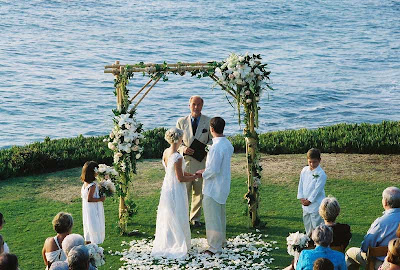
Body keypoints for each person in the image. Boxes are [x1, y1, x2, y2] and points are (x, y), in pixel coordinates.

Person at [151, 128, 199, 259]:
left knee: (168, 214)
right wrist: (195, 177)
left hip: (167, 186)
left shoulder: (166, 152)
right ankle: (176, 242)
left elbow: (176, 172)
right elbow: (180, 178)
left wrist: (191, 174)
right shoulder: (177, 156)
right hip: (176, 187)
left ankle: (168, 240)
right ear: (179, 139)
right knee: (177, 213)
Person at [196, 117, 234, 255]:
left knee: (212, 217)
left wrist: (202, 173)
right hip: (223, 185)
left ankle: (214, 247)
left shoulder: (216, 147)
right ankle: (221, 241)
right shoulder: (227, 144)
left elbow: (213, 169)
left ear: (212, 129)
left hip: (213, 187)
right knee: (220, 215)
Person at [176, 95, 212, 227]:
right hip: (185, 163)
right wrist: (183, 149)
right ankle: (183, 218)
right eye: (194, 104)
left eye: (199, 104)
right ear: (189, 105)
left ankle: (195, 219)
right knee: (184, 192)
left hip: (200, 162)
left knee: (198, 191)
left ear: (202, 106)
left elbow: (212, 140)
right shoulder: (181, 122)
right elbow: (176, 142)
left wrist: (205, 149)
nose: (196, 107)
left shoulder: (208, 121)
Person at [346, 187, 400, 270]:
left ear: (385, 202)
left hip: (383, 262)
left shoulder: (381, 223)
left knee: (350, 253)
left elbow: (365, 247)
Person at [297, 148, 327, 236]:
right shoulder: (304, 170)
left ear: (319, 160)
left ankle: (318, 242)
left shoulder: (321, 174)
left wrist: (309, 200)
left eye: (314, 162)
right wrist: (301, 197)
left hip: (315, 204)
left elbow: (317, 190)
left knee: (317, 226)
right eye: (310, 162)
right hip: (305, 204)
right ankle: (309, 241)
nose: (312, 164)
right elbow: (301, 184)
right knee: (307, 224)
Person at [81, 161, 105, 244]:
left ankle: (88, 242)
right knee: (94, 225)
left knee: (88, 224)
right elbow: (89, 199)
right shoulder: (92, 186)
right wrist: (100, 199)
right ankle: (94, 243)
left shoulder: (85, 183)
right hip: (93, 208)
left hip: (87, 208)